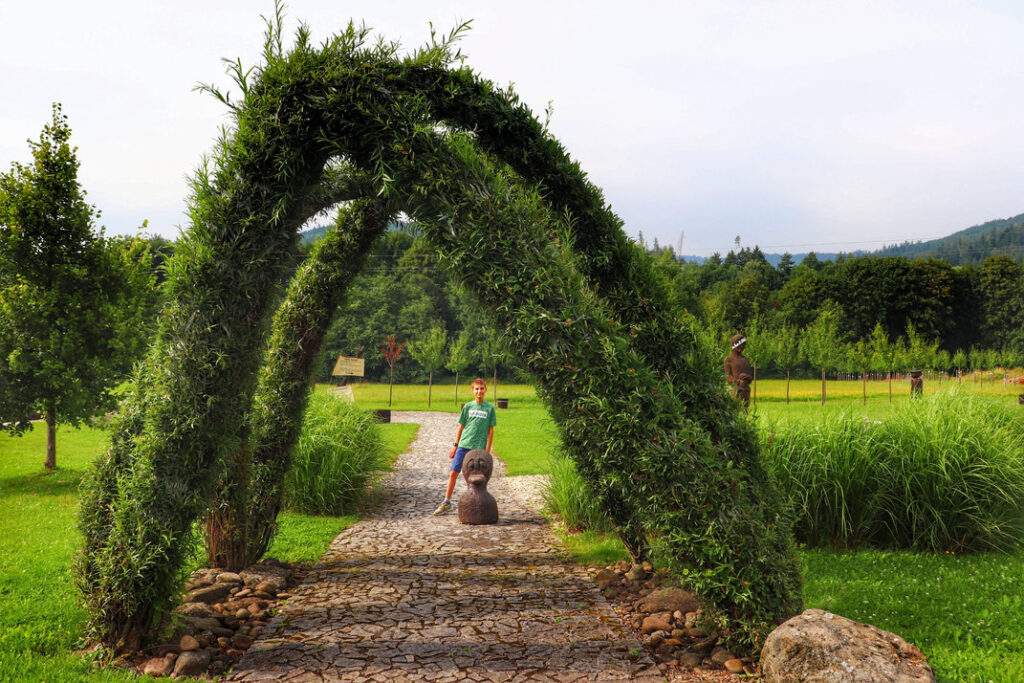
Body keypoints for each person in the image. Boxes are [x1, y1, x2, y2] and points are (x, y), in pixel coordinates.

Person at [433, 377, 496, 515]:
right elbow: (460, 427)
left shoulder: (490, 408)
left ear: (485, 390)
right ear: (473, 390)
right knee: (453, 473)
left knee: (476, 478)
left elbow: (491, 431)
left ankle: (476, 504)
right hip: (464, 445)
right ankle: (446, 502)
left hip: (478, 449)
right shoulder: (468, 406)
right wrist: (455, 445)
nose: (479, 391)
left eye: (481, 389)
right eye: (476, 389)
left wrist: (487, 451)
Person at [723, 333, 753, 409]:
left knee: (745, 410)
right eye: (740, 344)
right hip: (736, 390)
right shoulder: (729, 359)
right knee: (735, 409)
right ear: (734, 345)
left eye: (743, 345)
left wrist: (747, 378)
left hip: (746, 390)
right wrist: (737, 381)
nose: (742, 347)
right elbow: (728, 376)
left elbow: (750, 376)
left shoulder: (745, 359)